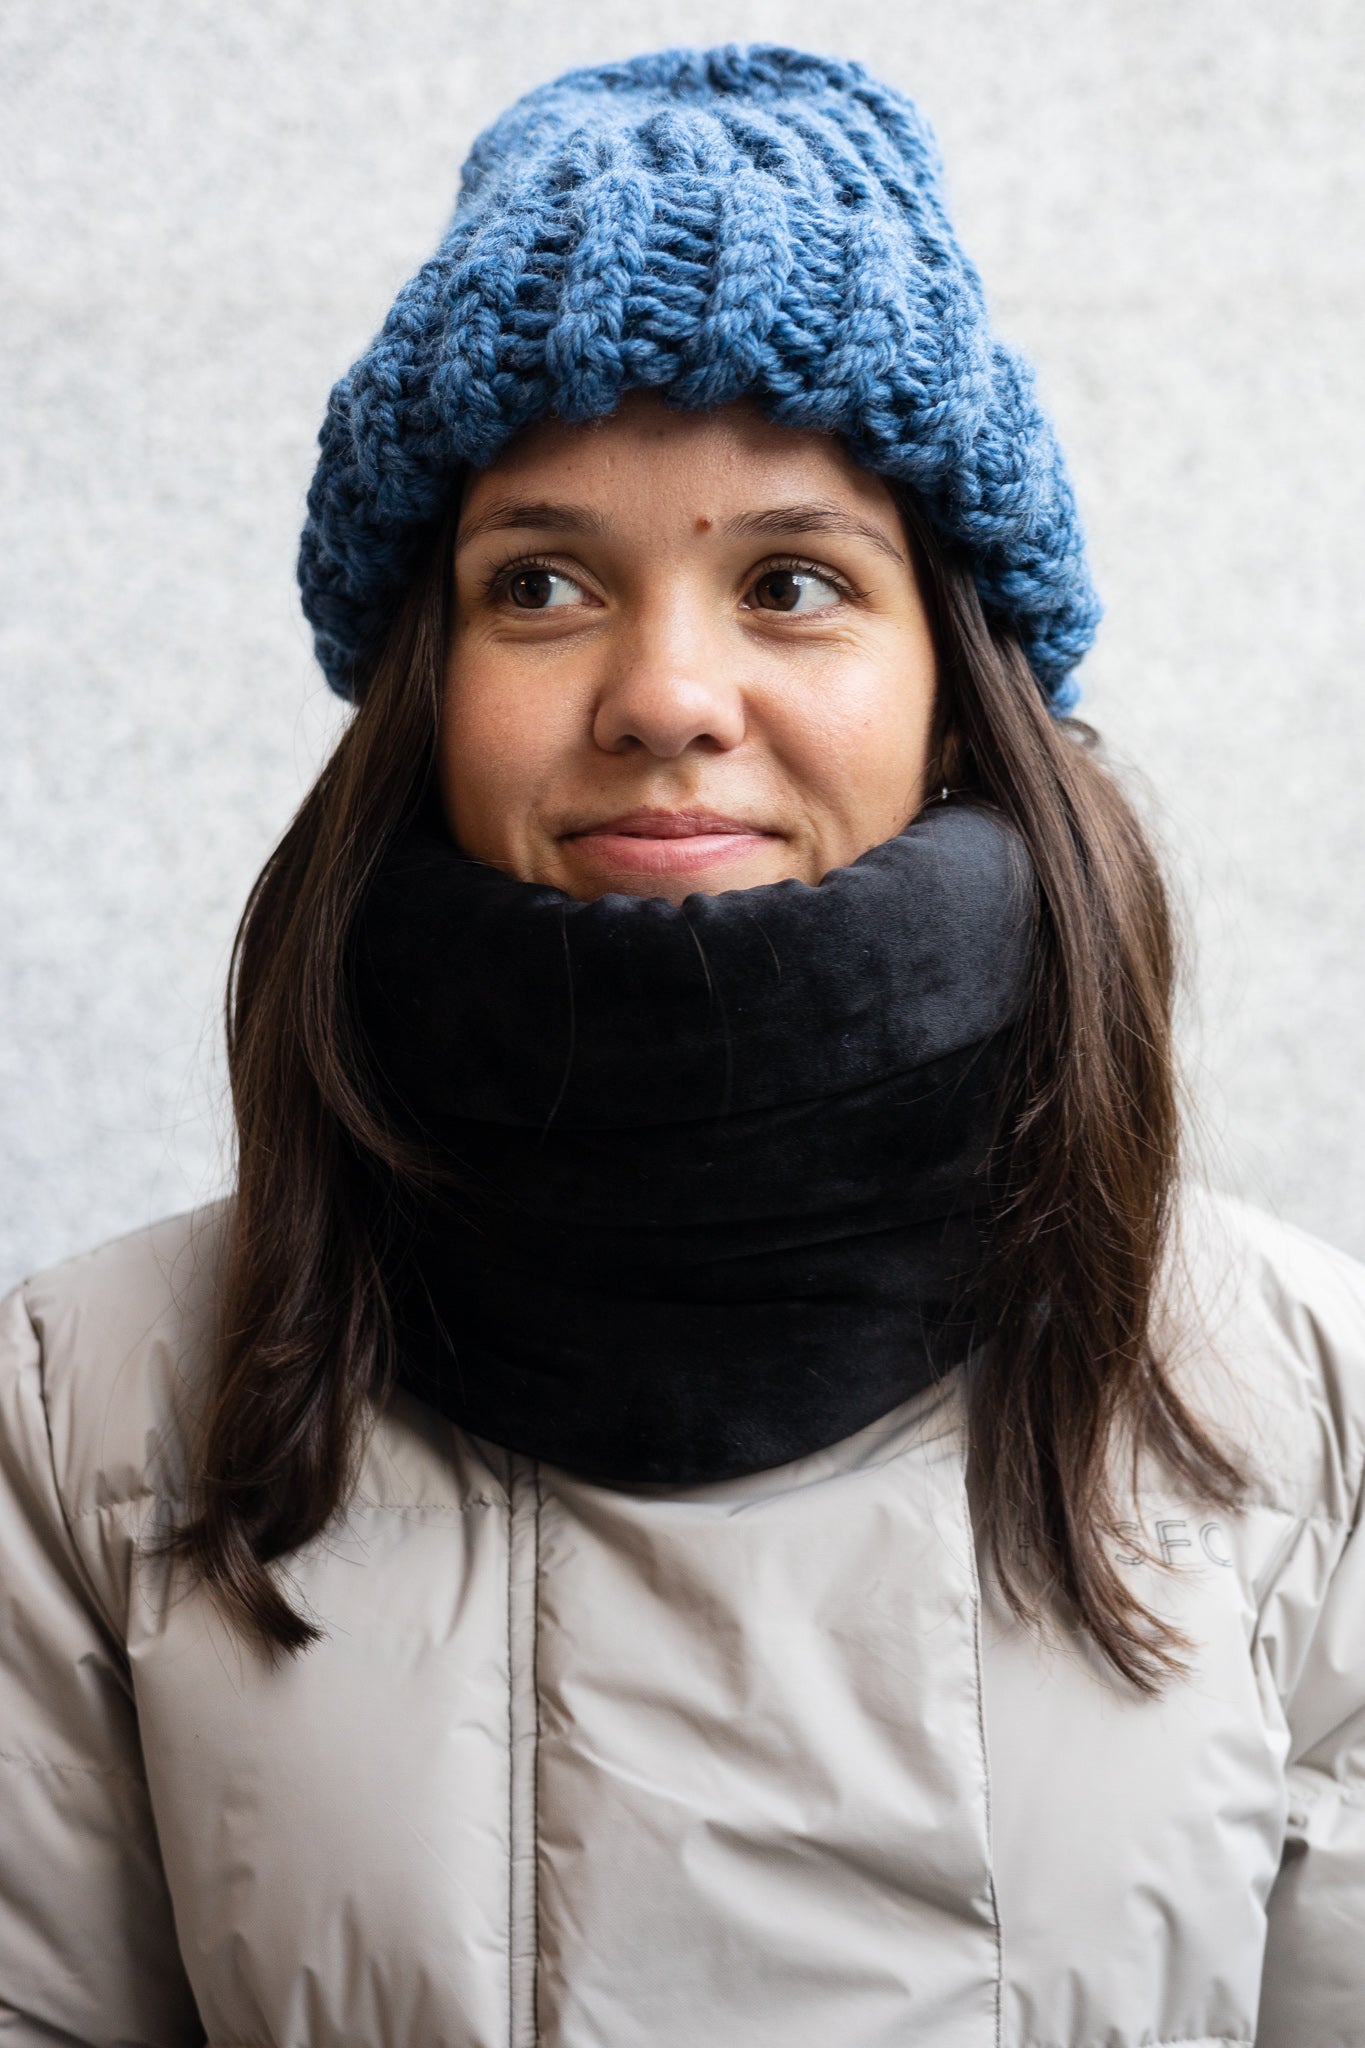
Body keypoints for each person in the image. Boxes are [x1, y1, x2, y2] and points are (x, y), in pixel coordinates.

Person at [1, 43, 1362, 2048]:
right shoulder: (91, 1403)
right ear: (425, 681)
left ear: (953, 683)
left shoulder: (1297, 1394)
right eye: (541, 582)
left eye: (791, 582)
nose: (664, 691)